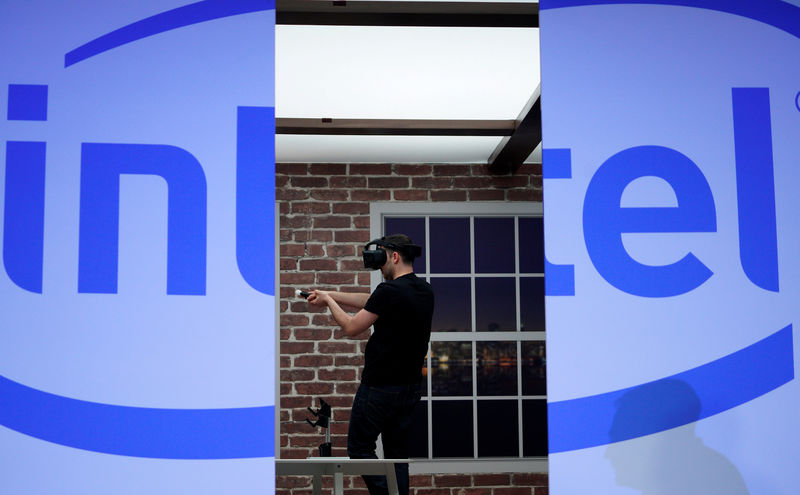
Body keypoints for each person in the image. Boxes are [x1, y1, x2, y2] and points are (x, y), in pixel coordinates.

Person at [307, 234, 434, 495]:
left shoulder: (389, 291)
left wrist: (328, 302)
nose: (379, 262)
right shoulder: (424, 290)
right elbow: (373, 300)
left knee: (359, 448)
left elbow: (352, 327)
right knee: (396, 456)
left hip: (379, 388)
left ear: (394, 256)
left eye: (382, 255)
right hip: (409, 387)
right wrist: (331, 293)